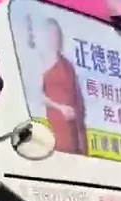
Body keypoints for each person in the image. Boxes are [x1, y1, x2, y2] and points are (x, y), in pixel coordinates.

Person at [39, 18, 87, 155]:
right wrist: (59, 107)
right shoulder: (42, 63)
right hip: (54, 129)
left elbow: (78, 100)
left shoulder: (68, 66)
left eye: (57, 35)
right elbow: (37, 95)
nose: (55, 39)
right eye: (51, 35)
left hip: (72, 131)